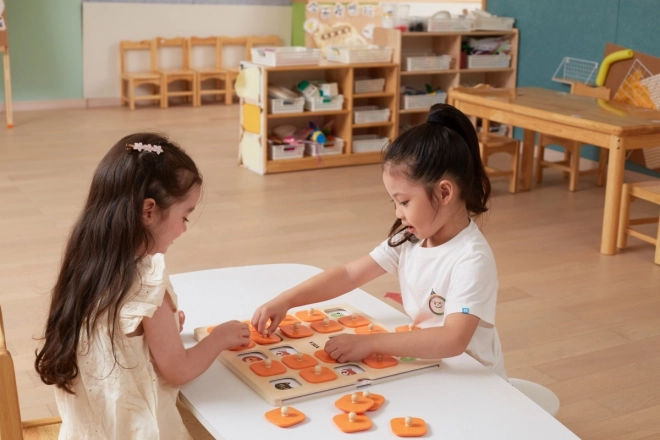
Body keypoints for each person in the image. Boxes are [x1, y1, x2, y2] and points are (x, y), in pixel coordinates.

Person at [253, 104, 507, 380]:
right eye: (395, 202)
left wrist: (370, 344)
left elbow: (452, 339)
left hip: (473, 378)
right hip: (431, 364)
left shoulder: (471, 259)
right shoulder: (410, 239)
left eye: (405, 201)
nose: (398, 213)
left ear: (445, 192)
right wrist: (286, 300)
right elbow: (349, 274)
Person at [35, 133, 251, 439]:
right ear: (148, 211)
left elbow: (113, 336)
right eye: (185, 216)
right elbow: (179, 370)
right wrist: (219, 339)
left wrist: (160, 332)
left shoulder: (86, 263)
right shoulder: (147, 282)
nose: (183, 229)